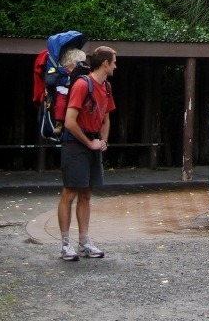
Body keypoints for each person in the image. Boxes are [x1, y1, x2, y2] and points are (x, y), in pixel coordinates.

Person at [57, 45, 117, 261]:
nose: (116, 66)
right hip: (75, 144)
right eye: (114, 62)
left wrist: (103, 141)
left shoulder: (107, 88)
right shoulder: (83, 85)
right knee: (70, 192)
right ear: (105, 63)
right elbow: (70, 122)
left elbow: (106, 118)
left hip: (92, 144)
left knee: (87, 193)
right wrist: (89, 143)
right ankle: (65, 244)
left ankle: (84, 241)